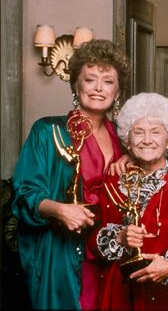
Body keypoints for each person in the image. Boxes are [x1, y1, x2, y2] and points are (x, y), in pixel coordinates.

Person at [11, 39, 130, 310]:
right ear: (76, 85)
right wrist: (60, 210)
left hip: (112, 256)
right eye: (90, 79)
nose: (99, 88)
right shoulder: (48, 132)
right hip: (63, 253)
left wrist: (132, 160)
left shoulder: (124, 139)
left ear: (118, 90)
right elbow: (23, 196)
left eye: (108, 81)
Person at [93, 92, 168, 311]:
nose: (146, 140)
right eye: (138, 132)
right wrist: (119, 237)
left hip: (164, 293)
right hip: (117, 291)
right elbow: (93, 239)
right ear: (127, 138)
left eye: (156, 132)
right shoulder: (113, 178)